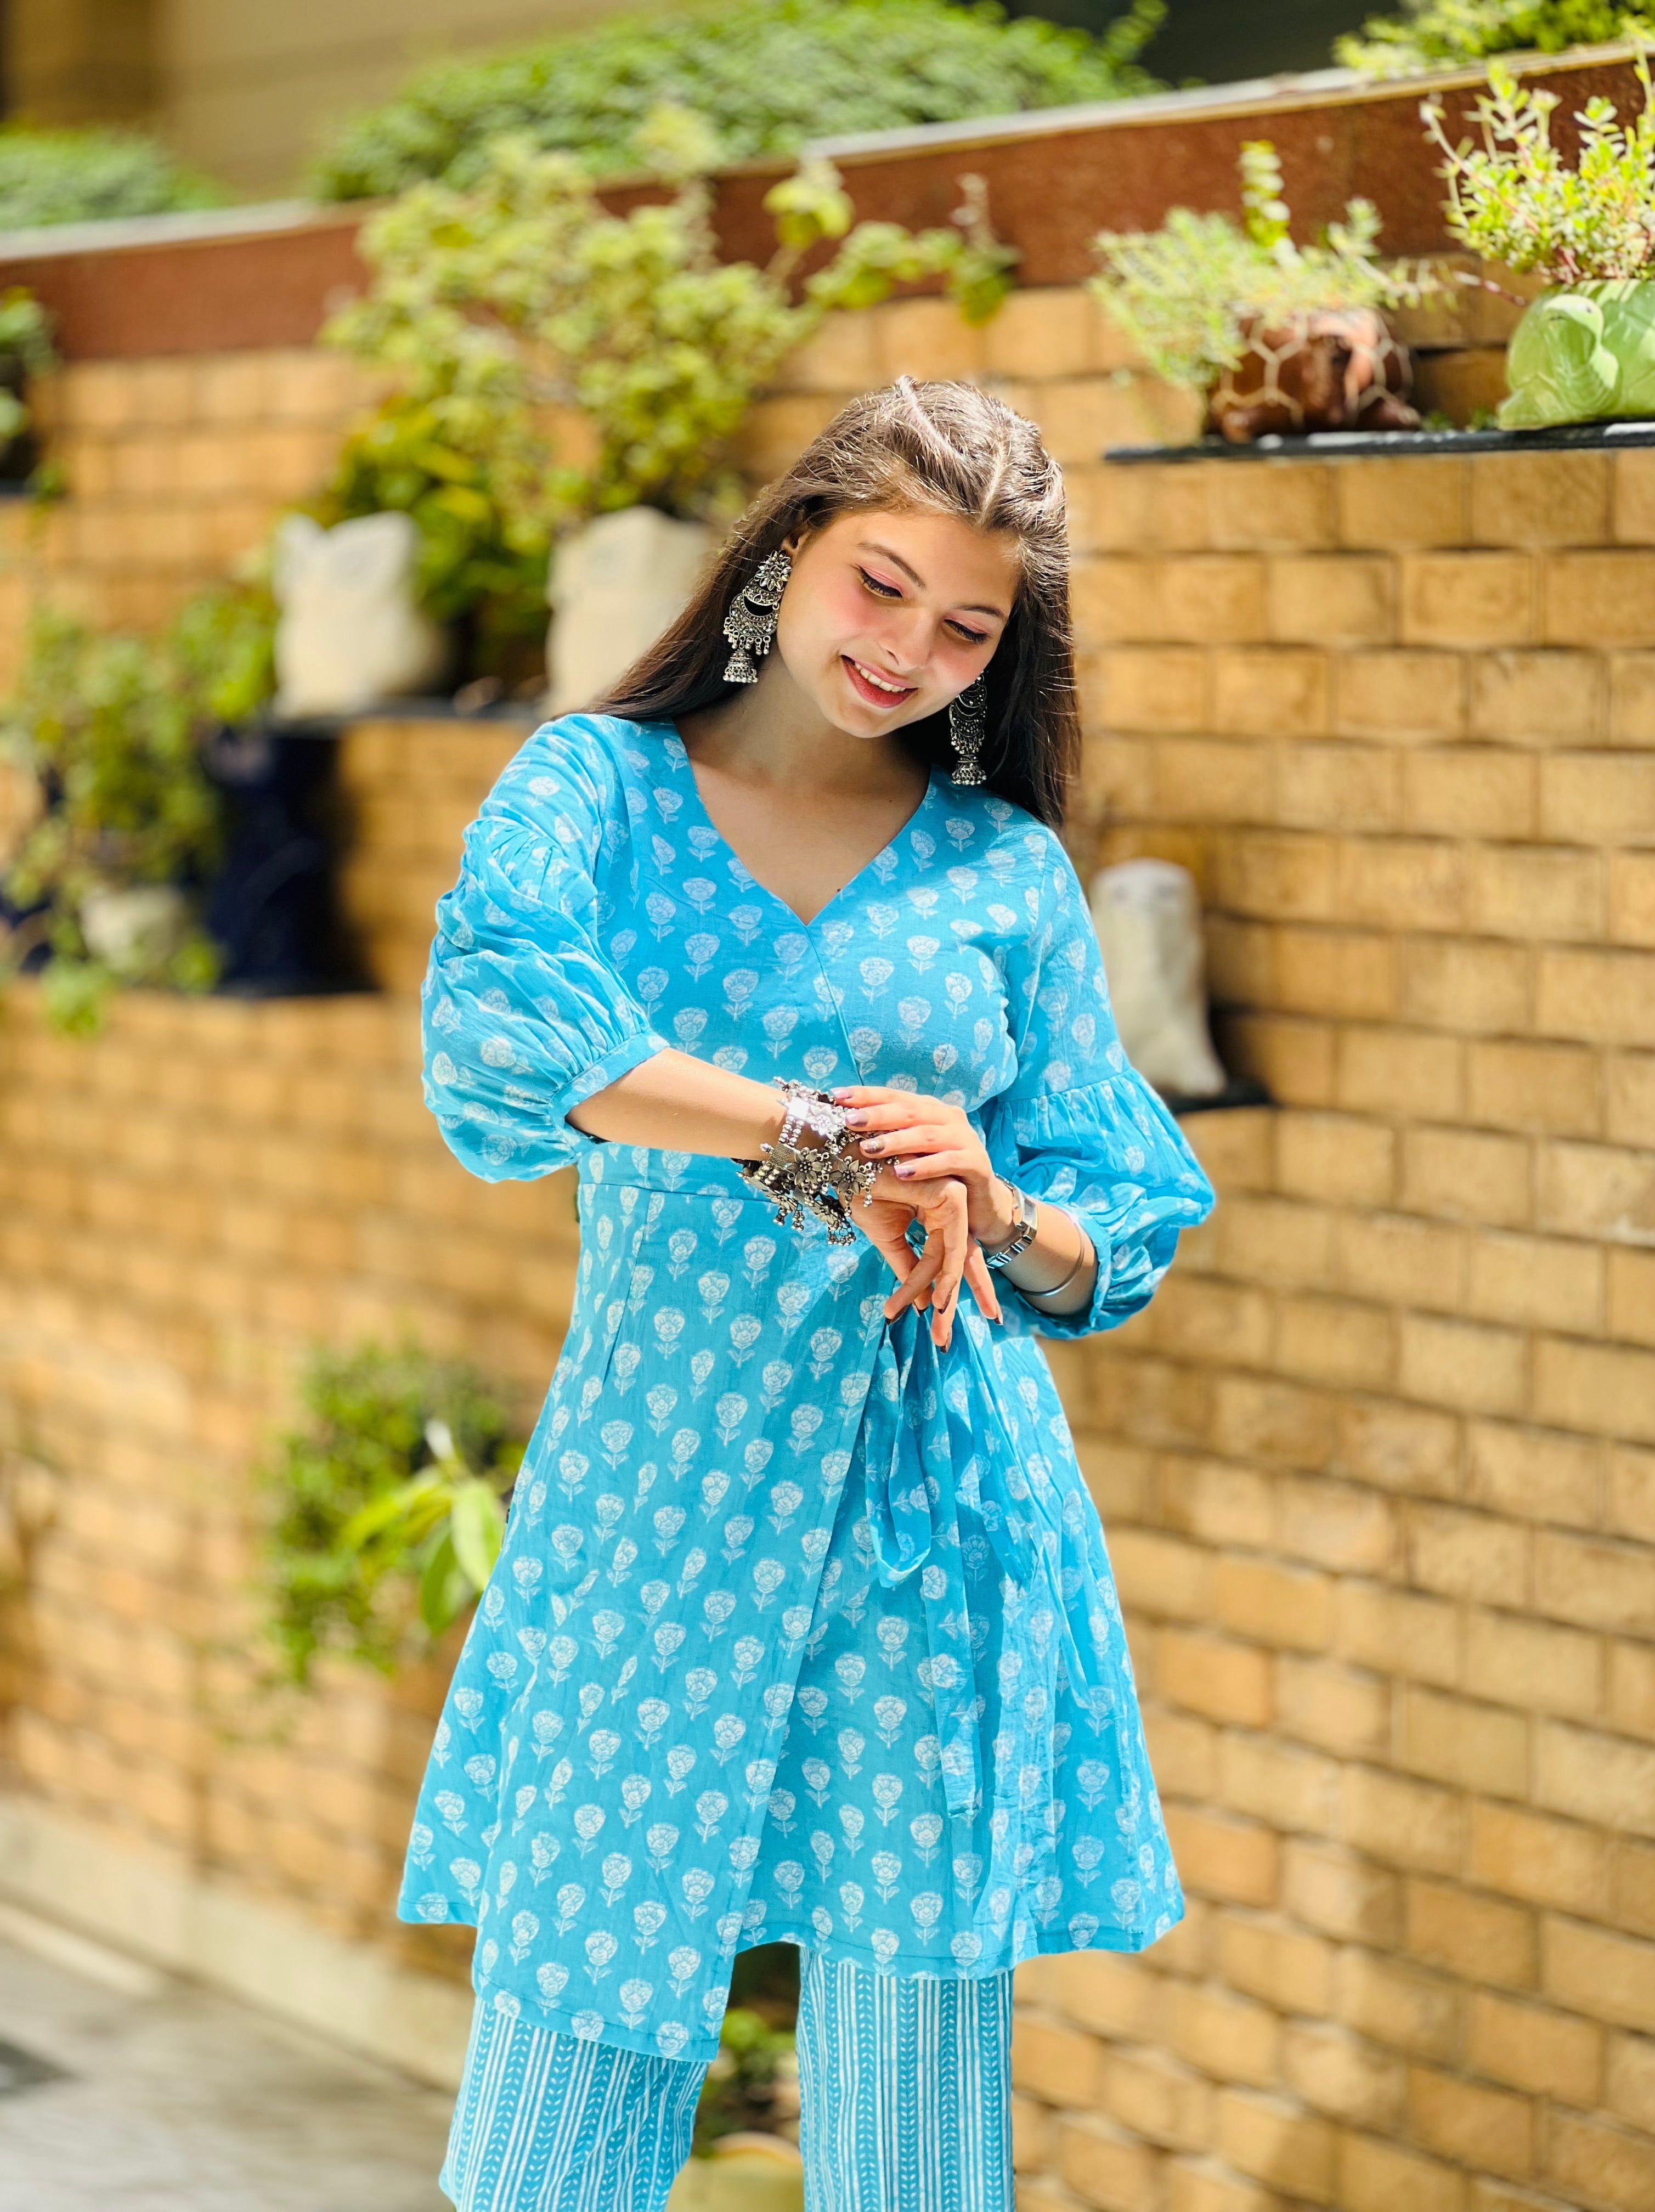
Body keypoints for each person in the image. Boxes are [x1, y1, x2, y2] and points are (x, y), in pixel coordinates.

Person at [399, 376, 1215, 2212]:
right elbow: (532, 1040)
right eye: (880, 585)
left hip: (938, 1493)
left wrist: (994, 1200)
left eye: (966, 625)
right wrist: (821, 1144)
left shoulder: (1003, 869)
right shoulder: (594, 793)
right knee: (568, 2069)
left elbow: (1127, 1211)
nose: (910, 649)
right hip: (661, 1486)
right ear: (787, 555)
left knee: (911, 2105)